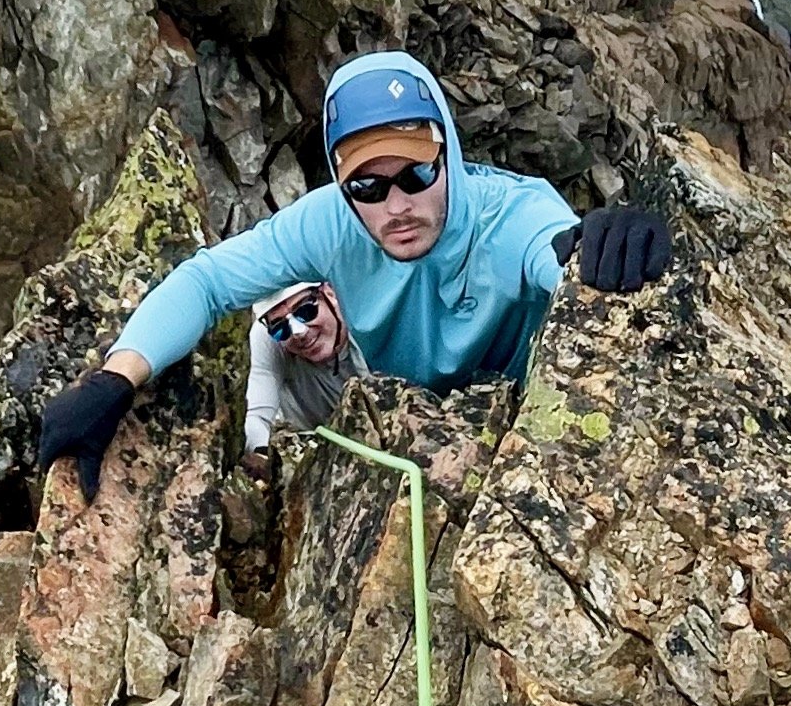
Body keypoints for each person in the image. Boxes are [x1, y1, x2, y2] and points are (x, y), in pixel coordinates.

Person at [37, 47, 671, 496]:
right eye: (366, 185)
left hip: (517, 426)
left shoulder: (510, 217)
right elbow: (206, 282)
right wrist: (113, 381)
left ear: (448, 150)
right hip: (406, 424)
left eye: (417, 173)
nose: (396, 206)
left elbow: (553, 252)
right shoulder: (329, 223)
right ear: (341, 185)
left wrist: (597, 239)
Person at [243, 275, 360, 463]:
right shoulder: (268, 340)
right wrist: (267, 457)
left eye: (306, 311)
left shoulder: (365, 321)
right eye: (281, 328)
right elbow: (256, 417)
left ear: (330, 293)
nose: (299, 332)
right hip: (319, 460)